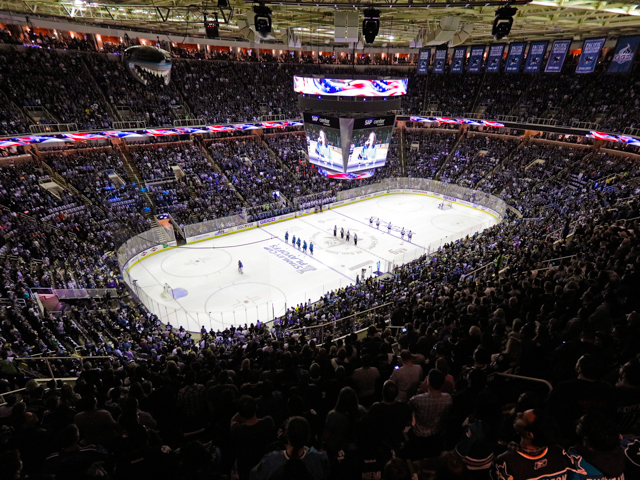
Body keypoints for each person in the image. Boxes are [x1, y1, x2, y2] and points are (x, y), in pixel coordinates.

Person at [493, 408, 585, 480]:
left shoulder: (506, 462)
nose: (518, 414)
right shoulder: (559, 453)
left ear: (529, 434)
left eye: (523, 418)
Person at [250, 416, 330, 480]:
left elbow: (254, 475)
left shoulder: (270, 460)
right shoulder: (320, 460)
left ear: (287, 436)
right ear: (307, 437)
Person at [402, 369, 452, 460]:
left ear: (428, 381)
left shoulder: (417, 399)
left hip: (418, 436)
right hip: (437, 435)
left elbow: (407, 412)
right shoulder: (448, 398)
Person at [231, 396, 276, 480]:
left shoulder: (237, 430)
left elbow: (233, 421)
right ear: (256, 408)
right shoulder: (267, 422)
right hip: (266, 465)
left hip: (246, 470)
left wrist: (242, 411)